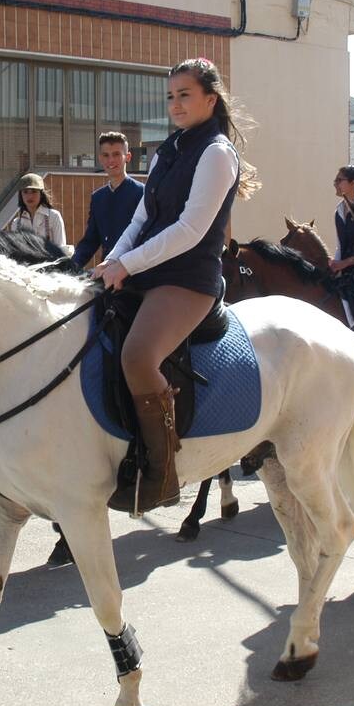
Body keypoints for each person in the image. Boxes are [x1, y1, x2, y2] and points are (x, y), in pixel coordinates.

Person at [94, 57, 257, 515]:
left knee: (137, 357)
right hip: (145, 269)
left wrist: (126, 262)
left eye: (185, 94)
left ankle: (162, 473)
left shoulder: (218, 153)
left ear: (210, 98)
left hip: (188, 279)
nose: (176, 103)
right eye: (171, 95)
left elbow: (189, 229)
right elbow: (142, 217)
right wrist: (112, 260)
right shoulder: (169, 149)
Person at [70, 132, 145, 269]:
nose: (111, 160)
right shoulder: (98, 197)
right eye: (106, 155)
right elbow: (91, 240)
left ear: (127, 157)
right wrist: (71, 266)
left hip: (135, 272)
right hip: (106, 272)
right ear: (100, 158)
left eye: (116, 154)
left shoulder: (142, 194)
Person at [327, 164, 354, 327]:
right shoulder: (338, 211)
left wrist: (345, 263)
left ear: (353, 184)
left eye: (339, 180)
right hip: (346, 272)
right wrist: (335, 265)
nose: (335, 184)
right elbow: (340, 246)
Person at [2, 174, 67, 250]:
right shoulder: (16, 223)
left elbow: (61, 248)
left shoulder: (54, 216)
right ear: (21, 195)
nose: (30, 196)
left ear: (41, 194)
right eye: (25, 192)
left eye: (34, 191)